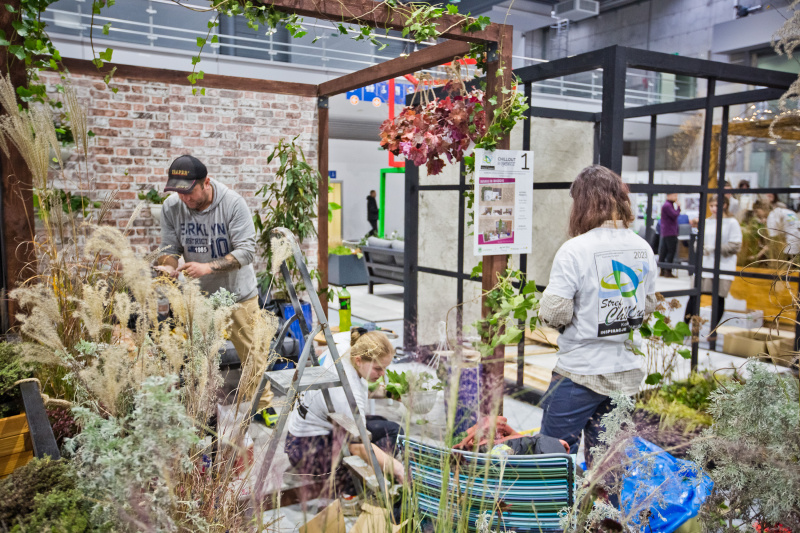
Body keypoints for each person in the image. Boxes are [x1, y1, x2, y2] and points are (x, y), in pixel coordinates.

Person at [538, 165, 657, 465]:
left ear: (582, 203)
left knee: (553, 458)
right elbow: (647, 306)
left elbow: (555, 312)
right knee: (609, 465)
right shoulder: (642, 247)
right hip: (626, 371)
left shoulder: (575, 249)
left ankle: (560, 499)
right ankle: (605, 500)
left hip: (580, 372)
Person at [155, 154, 277, 426]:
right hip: (198, 298)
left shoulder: (232, 203)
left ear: (206, 182)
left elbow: (247, 252)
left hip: (238, 295)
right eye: (178, 192)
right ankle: (201, 408)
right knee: (198, 356)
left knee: (253, 354)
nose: (184, 198)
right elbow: (169, 247)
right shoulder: (172, 206)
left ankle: (263, 405)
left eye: (189, 192)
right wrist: (168, 266)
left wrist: (207, 267)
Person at [285, 329, 404, 495]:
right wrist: (398, 469)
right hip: (307, 449)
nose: (382, 374)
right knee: (360, 479)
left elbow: (362, 386)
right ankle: (336, 483)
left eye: (385, 368)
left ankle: (379, 465)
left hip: (313, 430)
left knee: (394, 431)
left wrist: (389, 393)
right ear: (358, 360)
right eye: (378, 368)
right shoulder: (346, 393)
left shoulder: (347, 345)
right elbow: (358, 447)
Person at [684, 196, 743, 325]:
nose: (714, 209)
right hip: (704, 266)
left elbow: (735, 245)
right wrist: (701, 248)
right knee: (694, 296)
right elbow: (697, 243)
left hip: (723, 267)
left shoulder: (732, 223)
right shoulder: (707, 222)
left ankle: (713, 329)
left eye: (716, 205)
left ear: (725, 205)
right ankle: (684, 327)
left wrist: (715, 248)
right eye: (711, 206)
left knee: (718, 298)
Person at [659, 192, 681, 278]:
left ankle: (663, 270)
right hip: (670, 232)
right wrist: (679, 207)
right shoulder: (667, 205)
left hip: (667, 232)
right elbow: (675, 215)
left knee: (664, 251)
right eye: (675, 195)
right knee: (670, 252)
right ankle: (668, 271)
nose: (676, 197)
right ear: (669, 196)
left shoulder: (668, 205)